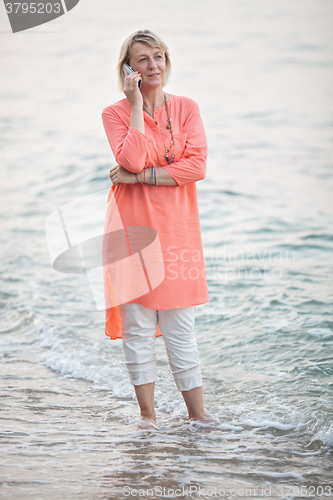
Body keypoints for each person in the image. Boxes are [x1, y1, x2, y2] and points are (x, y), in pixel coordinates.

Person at [101, 29, 210, 426]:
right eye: (142, 59)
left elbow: (196, 167)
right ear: (128, 69)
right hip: (131, 231)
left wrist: (141, 178)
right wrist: (134, 106)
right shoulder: (114, 113)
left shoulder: (186, 108)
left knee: (181, 328)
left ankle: (198, 417)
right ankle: (148, 418)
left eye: (158, 56)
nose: (152, 66)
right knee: (139, 328)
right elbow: (129, 159)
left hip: (178, 231)